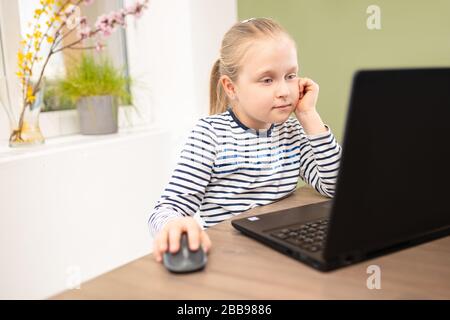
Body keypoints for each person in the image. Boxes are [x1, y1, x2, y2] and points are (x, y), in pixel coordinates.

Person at [149, 17, 342, 263]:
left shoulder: (292, 130)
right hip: (232, 258)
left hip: (279, 251)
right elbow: (165, 209)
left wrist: (308, 115)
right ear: (231, 87)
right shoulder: (210, 136)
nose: (284, 90)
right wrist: (174, 224)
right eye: (267, 79)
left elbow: (335, 186)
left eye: (290, 75)